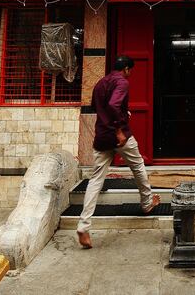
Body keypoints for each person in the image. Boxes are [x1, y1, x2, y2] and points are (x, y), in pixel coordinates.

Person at [77, 56, 160, 248]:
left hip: (101, 136)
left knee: (96, 179)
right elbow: (114, 105)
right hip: (118, 136)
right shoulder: (122, 82)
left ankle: (83, 225)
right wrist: (119, 129)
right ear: (127, 69)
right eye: (131, 70)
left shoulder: (100, 83)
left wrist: (124, 113)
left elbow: (102, 108)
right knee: (138, 166)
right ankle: (147, 202)